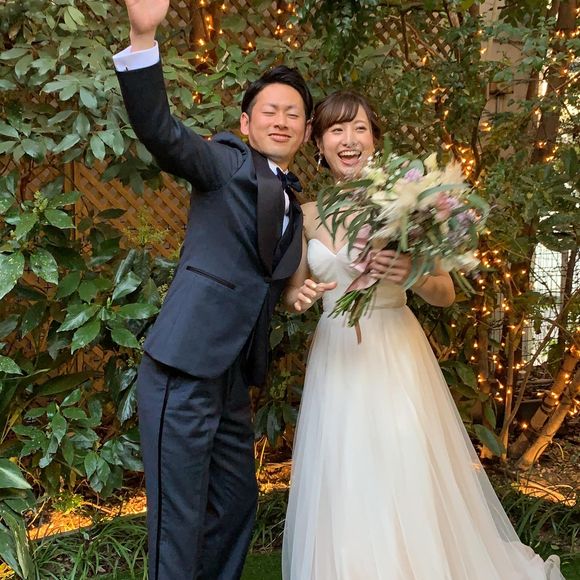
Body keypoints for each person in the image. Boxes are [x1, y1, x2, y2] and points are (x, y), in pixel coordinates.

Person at [281, 90, 565, 579]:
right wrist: (299, 297)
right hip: (336, 353)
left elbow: (444, 293)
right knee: (344, 469)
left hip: (395, 349)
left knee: (403, 464)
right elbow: (292, 289)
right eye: (336, 130)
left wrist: (409, 273)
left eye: (360, 128)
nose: (349, 140)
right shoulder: (305, 214)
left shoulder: (403, 204)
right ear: (319, 144)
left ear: (374, 139)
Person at [112, 1, 321, 578]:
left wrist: (295, 295)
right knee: (178, 521)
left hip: (229, 377)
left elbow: (263, 279)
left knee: (234, 504)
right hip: (182, 368)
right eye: (269, 111)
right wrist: (143, 36)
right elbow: (163, 134)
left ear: (306, 131)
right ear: (246, 124)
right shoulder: (226, 163)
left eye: (293, 114)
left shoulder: (294, 203)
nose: (281, 120)